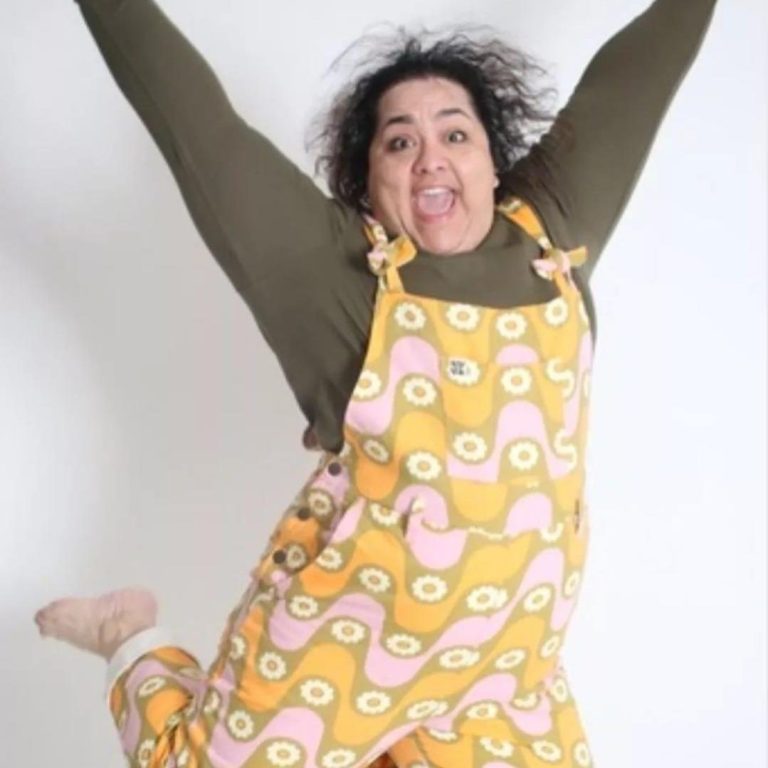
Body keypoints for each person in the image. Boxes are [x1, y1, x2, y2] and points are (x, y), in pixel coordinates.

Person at [34, 0, 717, 766]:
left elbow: (642, 71)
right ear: (369, 184)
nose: (430, 157)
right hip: (348, 646)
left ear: (494, 162)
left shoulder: (552, 235)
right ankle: (125, 633)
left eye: (455, 133)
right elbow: (200, 129)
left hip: (502, 667)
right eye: (399, 141)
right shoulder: (338, 280)